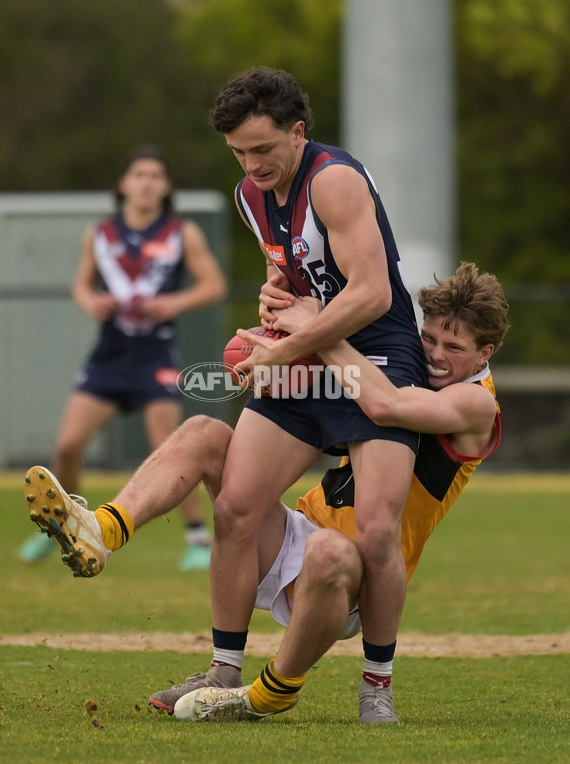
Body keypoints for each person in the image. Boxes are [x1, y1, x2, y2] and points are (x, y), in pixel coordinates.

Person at [23, 263, 509, 722]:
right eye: (429, 338)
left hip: (356, 573)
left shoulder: (475, 404)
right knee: (203, 433)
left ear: (485, 354)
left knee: (327, 550)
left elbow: (384, 403)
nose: (435, 355)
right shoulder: (407, 365)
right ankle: (103, 530)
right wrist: (274, 348)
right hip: (296, 534)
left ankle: (275, 691)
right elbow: (332, 391)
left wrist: (320, 330)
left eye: (454, 346)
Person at [201, 66, 427, 722]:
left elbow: (371, 294)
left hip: (377, 352)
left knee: (379, 530)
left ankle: (376, 684)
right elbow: (291, 273)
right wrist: (272, 307)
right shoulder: (251, 193)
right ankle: (222, 669)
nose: (252, 164)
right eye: (239, 152)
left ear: (298, 133)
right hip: (304, 351)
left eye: (264, 149)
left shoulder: (333, 179)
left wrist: (287, 346)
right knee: (236, 508)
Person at [19, 145, 227, 571]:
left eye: (155, 175)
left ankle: (197, 539)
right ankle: (64, 526)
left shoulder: (181, 233)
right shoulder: (100, 234)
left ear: (166, 186)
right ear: (124, 184)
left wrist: (174, 302)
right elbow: (80, 286)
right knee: (67, 445)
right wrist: (90, 302)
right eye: (139, 174)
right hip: (110, 355)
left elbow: (213, 285)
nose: (147, 182)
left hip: (156, 353)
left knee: (170, 449)